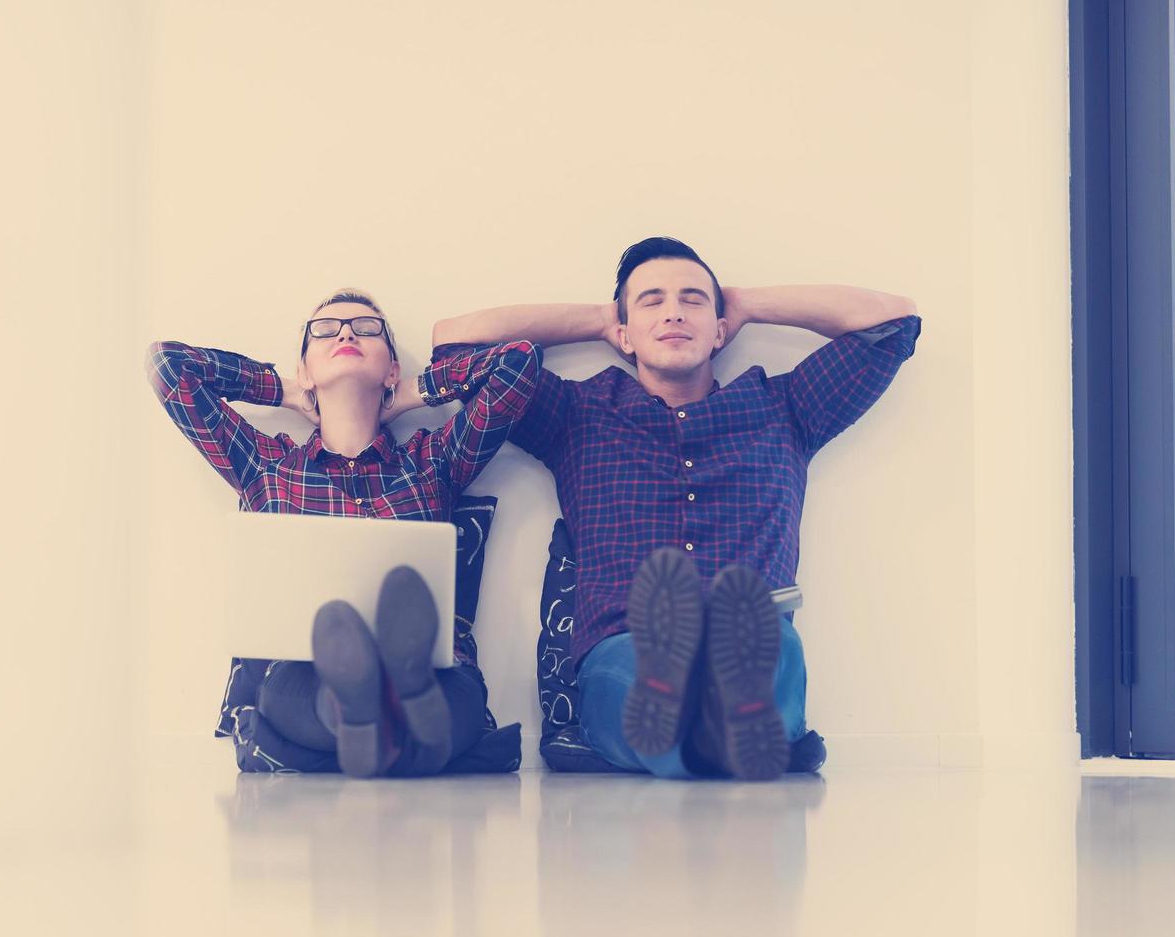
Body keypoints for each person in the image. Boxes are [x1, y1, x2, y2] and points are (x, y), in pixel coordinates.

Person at [432, 237, 921, 780]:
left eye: (692, 300)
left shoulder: (784, 408)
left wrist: (749, 304)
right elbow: (455, 346)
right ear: (624, 333)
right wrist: (600, 318)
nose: (673, 312)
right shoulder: (577, 415)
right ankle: (724, 739)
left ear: (720, 328)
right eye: (651, 301)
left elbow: (892, 324)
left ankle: (729, 730)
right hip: (627, 650)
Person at [146, 289, 541, 777]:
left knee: (456, 695)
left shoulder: (434, 460)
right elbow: (167, 366)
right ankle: (383, 728)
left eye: (366, 327)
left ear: (391, 368)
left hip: (432, 670)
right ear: (306, 367)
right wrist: (285, 390)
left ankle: (372, 723)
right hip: (307, 670)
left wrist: (414, 391)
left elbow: (519, 366)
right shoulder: (266, 465)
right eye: (326, 330)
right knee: (292, 690)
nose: (348, 332)